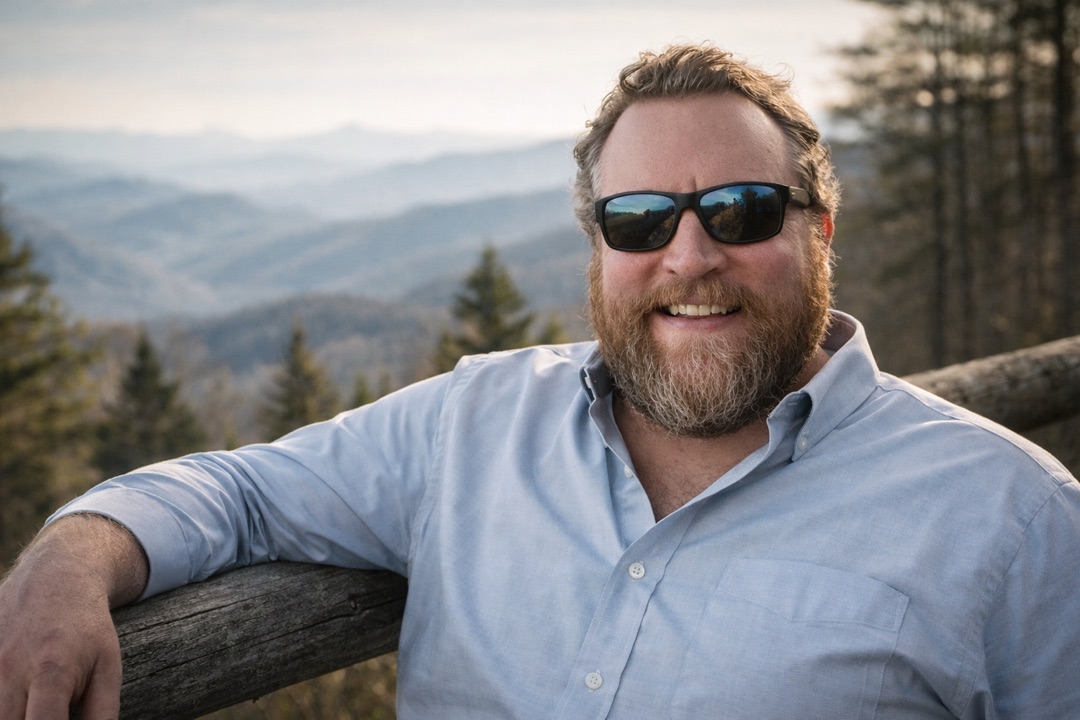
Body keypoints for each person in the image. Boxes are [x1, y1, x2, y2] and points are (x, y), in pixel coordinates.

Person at [2, 44, 1079, 720]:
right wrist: (68, 556)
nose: (689, 257)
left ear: (821, 231)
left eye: (742, 212)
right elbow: (237, 493)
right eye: (641, 220)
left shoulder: (1017, 520)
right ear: (598, 245)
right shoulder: (469, 424)